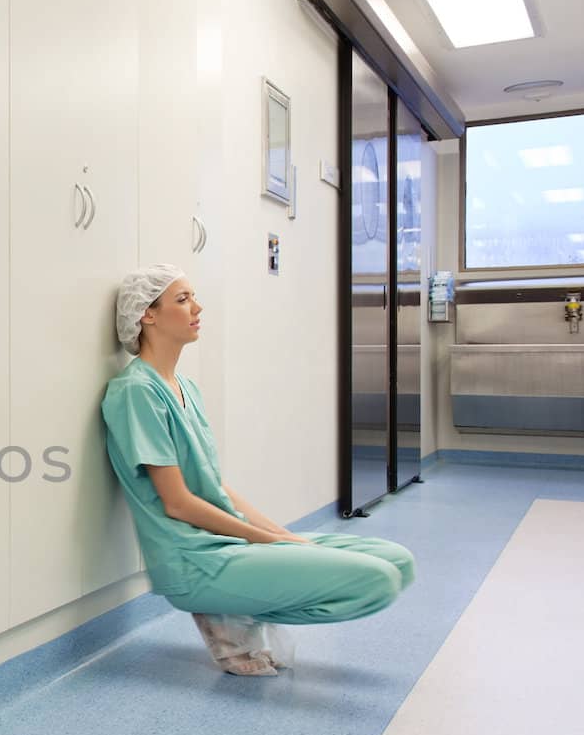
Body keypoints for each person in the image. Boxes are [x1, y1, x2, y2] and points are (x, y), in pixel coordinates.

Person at [100, 264, 415, 676]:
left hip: (226, 541)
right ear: (148, 315)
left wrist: (281, 536)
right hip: (193, 559)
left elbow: (216, 487)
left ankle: (239, 605)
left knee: (398, 561)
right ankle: (226, 612)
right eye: (182, 299)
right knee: (379, 581)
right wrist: (263, 541)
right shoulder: (136, 391)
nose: (198, 306)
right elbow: (177, 504)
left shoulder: (185, 388)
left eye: (193, 296)